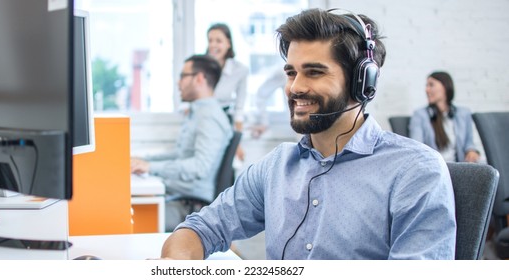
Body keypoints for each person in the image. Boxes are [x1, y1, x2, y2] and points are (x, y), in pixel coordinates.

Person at [160, 8, 456, 260]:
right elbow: (201, 228)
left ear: (361, 82)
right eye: (291, 73)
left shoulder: (416, 172)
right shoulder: (276, 166)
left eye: (314, 72)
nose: (295, 87)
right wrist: (175, 264)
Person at [130, 55, 233, 232]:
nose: (179, 83)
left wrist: (151, 167)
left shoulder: (210, 117)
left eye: (183, 76)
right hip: (178, 198)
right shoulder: (198, 113)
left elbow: (200, 166)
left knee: (129, 218)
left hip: (189, 207)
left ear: (199, 78)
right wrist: (142, 160)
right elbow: (179, 154)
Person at [409, 71, 480, 163]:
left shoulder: (463, 113)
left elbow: (469, 142)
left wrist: (471, 151)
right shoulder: (420, 115)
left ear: (444, 87)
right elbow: (417, 148)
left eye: (431, 85)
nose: (426, 90)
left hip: (460, 167)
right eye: (426, 86)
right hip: (435, 168)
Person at [206, 23, 249, 160]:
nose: (213, 45)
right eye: (210, 40)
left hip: (225, 125)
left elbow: (239, 109)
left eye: (218, 41)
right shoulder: (201, 67)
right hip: (203, 123)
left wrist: (237, 143)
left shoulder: (240, 70)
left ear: (228, 43)